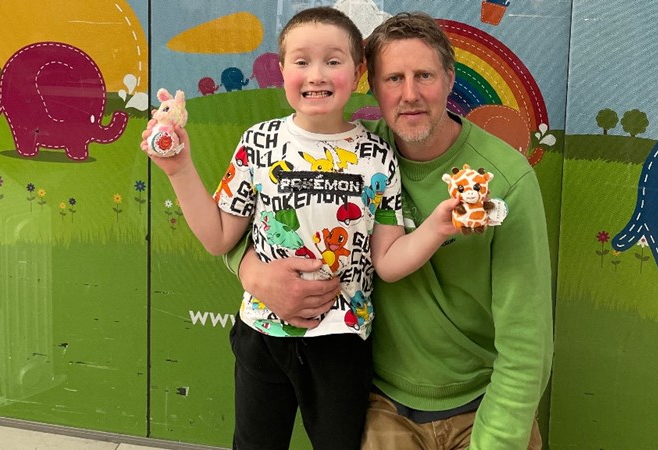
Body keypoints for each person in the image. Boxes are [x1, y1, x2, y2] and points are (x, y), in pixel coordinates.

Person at [230, 11, 554, 450]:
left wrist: (496, 440)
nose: (410, 95)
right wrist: (253, 273)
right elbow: (238, 222)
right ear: (371, 85)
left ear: (450, 78)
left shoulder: (505, 179)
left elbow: (527, 343)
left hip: (480, 403)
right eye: (394, 79)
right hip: (384, 403)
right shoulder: (357, 156)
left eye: (424, 76)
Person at [141, 7, 458, 450]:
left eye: (333, 61)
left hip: (342, 343)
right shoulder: (258, 143)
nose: (317, 75)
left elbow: (387, 262)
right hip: (261, 336)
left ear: (358, 72)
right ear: (282, 69)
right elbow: (218, 237)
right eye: (302, 61)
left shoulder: (378, 156)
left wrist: (437, 227)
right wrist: (179, 169)